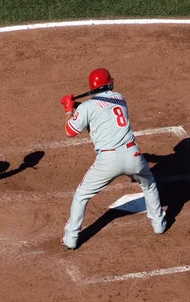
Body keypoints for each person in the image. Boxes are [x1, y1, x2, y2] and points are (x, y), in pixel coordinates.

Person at [60, 68, 166, 249]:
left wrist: (69, 110)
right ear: (109, 83)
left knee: (81, 196)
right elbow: (101, 110)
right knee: (149, 184)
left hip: (108, 161)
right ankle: (158, 225)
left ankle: (71, 238)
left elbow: (70, 131)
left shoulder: (87, 107)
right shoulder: (120, 97)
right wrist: (78, 106)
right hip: (134, 156)